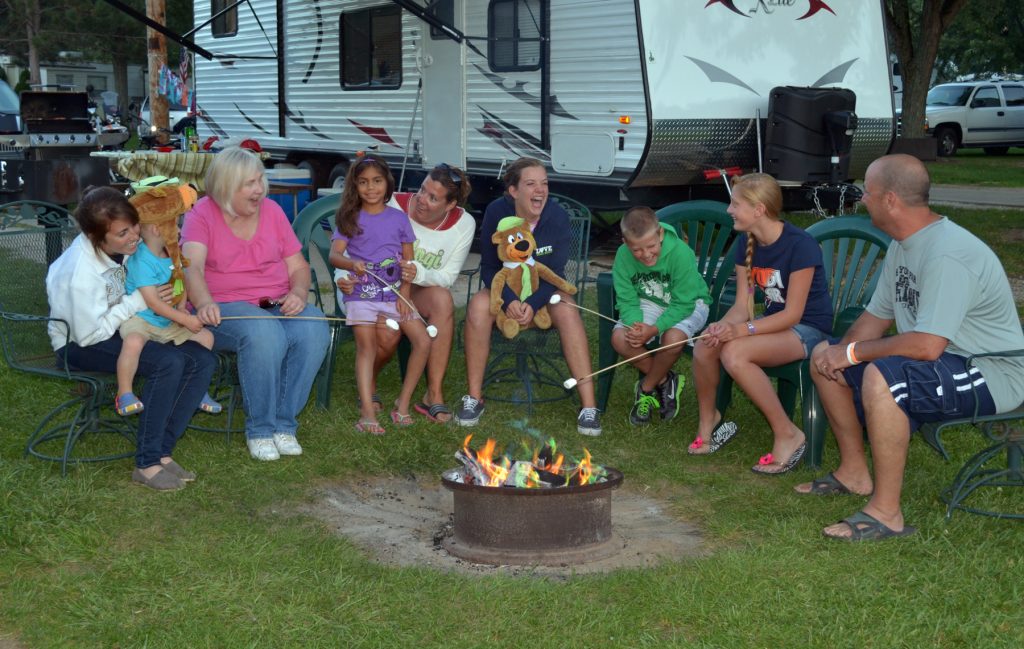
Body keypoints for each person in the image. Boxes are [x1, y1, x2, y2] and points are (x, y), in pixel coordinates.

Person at [797, 154, 1024, 541]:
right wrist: (837, 352)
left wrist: (852, 354)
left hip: (991, 371)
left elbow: (926, 346)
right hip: (948, 359)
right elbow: (875, 317)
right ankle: (854, 472)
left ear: (889, 200)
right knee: (824, 357)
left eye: (866, 193)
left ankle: (887, 514)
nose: (861, 199)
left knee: (882, 377)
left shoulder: (949, 253)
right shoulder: (905, 245)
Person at [46, 186, 216, 491]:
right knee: (169, 363)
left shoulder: (123, 250)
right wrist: (138, 301)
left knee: (202, 359)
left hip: (124, 326)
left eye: (133, 226)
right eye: (123, 233)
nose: (134, 236)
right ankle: (147, 463)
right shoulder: (78, 275)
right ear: (97, 238)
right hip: (79, 343)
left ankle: (163, 451)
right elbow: (90, 335)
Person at [182, 146, 330, 461]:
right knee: (264, 332)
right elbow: (191, 267)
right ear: (226, 186)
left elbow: (299, 267)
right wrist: (204, 301)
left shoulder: (273, 212)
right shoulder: (201, 214)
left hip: (274, 303)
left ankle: (283, 424)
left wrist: (299, 293)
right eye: (249, 183)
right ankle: (260, 429)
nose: (259, 189)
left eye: (260, 180)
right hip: (223, 311)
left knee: (314, 327)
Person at [690, 173, 833, 474]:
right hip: (774, 325)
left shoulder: (800, 245)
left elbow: (793, 314)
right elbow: (743, 306)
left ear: (759, 210)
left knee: (735, 353)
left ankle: (787, 433)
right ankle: (709, 421)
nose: (729, 210)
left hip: (809, 330)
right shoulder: (747, 242)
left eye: (735, 204)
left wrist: (740, 332)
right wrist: (721, 326)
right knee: (706, 346)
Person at [456, 157, 602, 436]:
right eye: (531, 184)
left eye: (544, 183)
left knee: (568, 308)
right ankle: (474, 398)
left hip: (544, 293)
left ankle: (589, 407)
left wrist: (532, 304)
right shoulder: (496, 213)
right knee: (477, 305)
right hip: (505, 291)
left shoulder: (557, 216)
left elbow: (555, 272)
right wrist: (510, 300)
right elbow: (489, 266)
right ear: (514, 191)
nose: (541, 190)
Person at [335, 163, 474, 423]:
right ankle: (370, 384)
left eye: (433, 198)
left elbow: (447, 278)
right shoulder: (393, 205)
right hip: (368, 289)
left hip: (415, 288)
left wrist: (413, 276)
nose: (421, 200)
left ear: (450, 205)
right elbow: (345, 253)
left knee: (443, 300)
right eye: (422, 190)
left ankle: (432, 394)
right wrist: (345, 278)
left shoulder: (464, 225)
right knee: (388, 334)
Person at [328, 154, 432, 435]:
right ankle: (366, 413)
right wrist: (352, 264)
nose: (370, 188)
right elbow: (335, 255)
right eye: (363, 182)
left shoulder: (399, 219)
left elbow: (407, 265)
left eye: (376, 181)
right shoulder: (349, 217)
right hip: (362, 293)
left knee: (422, 341)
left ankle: (403, 406)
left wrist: (405, 294)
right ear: (354, 186)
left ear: (387, 183)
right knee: (367, 348)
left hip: (394, 293)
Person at [115, 180, 221, 417]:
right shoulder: (141, 260)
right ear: (156, 229)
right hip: (141, 318)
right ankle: (124, 394)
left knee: (205, 336)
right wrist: (184, 320)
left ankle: (196, 391)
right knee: (132, 341)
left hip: (167, 320)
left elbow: (179, 281)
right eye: (175, 224)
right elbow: (152, 302)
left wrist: (183, 307)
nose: (180, 230)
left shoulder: (172, 252)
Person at [611, 206, 710, 425]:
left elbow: (684, 303)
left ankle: (646, 387)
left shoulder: (680, 253)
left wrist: (654, 329)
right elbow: (627, 299)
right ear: (625, 243)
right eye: (637, 250)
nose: (645, 255)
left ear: (661, 234)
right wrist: (635, 324)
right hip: (650, 302)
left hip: (691, 303)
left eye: (651, 246)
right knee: (621, 338)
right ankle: (666, 379)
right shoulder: (622, 256)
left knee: (672, 339)